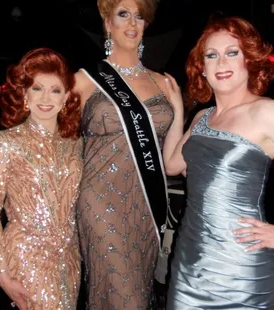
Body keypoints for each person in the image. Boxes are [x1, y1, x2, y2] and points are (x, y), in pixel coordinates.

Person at [163, 16, 274, 309]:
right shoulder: (202, 118)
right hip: (189, 265)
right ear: (202, 69)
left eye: (232, 53)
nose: (221, 63)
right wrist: (178, 110)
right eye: (211, 55)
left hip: (242, 270)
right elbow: (172, 165)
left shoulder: (267, 112)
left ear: (250, 61)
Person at [74, 0, 176, 308]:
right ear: (107, 23)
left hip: (146, 205)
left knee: (139, 292)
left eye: (140, 17)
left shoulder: (164, 82)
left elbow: (172, 156)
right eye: (123, 14)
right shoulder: (82, 80)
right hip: (99, 202)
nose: (133, 23)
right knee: (124, 295)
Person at [0, 48, 83, 310]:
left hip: (70, 261)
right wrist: (2, 272)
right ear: (24, 94)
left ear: (66, 97)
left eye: (55, 90)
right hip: (25, 259)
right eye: (37, 88)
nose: (46, 98)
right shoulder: (4, 143)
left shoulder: (75, 144)